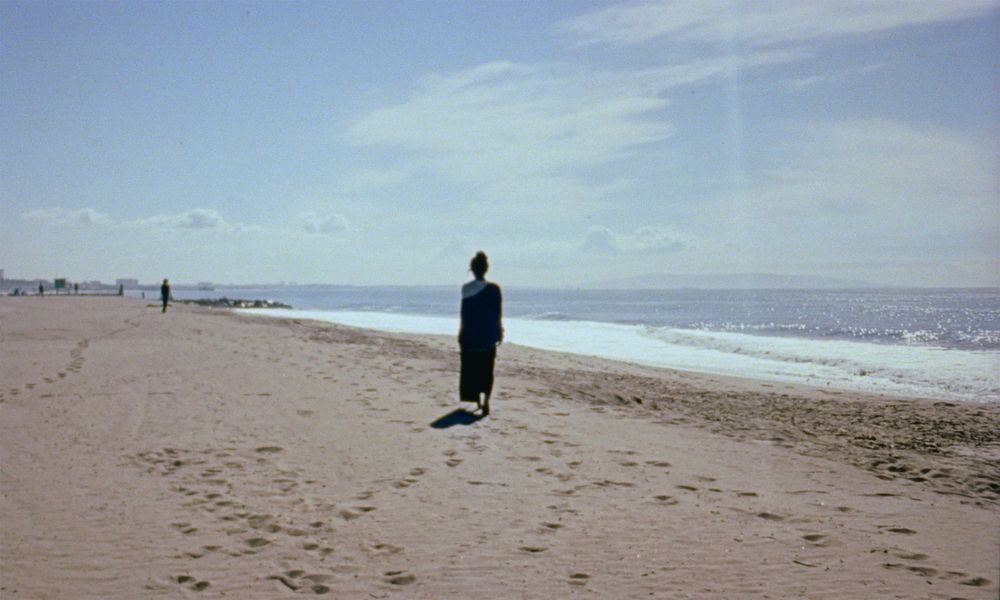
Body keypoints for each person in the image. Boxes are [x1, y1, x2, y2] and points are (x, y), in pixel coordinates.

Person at [458, 251, 503, 416]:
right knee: (487, 370)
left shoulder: (466, 289)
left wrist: (461, 334)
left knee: (472, 369)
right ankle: (486, 402)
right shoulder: (494, 289)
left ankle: (476, 399)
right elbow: (497, 314)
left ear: (472, 269)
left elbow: (464, 315)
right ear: (486, 269)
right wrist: (500, 332)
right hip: (487, 336)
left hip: (469, 336)